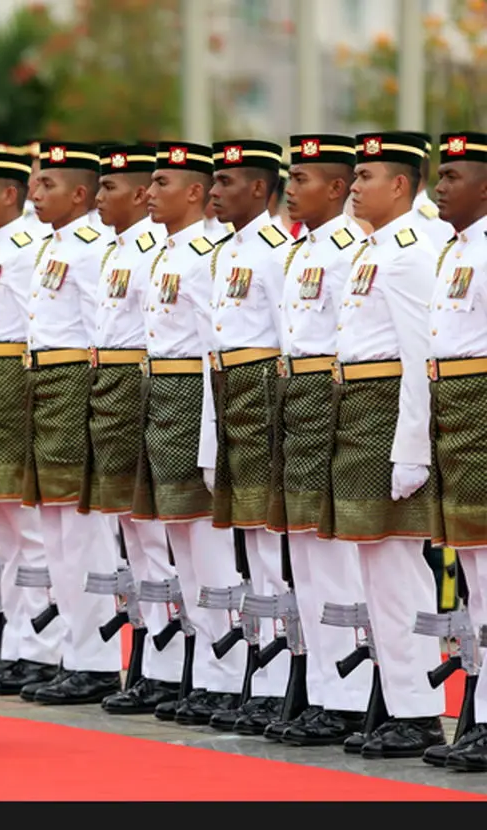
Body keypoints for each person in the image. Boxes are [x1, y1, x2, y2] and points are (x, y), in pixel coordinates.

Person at [324, 131, 443, 759]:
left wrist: (412, 447)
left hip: (385, 414)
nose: (355, 186)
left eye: (366, 176)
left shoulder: (410, 251)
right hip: (357, 407)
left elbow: (419, 356)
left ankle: (419, 708)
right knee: (376, 563)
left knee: (396, 568)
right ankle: (398, 701)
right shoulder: (375, 248)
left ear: (400, 184)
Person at [268, 134, 372, 747]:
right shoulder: (302, 248)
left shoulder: (349, 250)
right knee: (305, 552)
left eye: (304, 178)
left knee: (336, 557)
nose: (292, 188)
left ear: (336, 187)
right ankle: (325, 692)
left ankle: (351, 692)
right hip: (293, 394)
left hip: (330, 396)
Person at [140, 141, 246, 725]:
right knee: (180, 538)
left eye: (162, 182)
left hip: (194, 395)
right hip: (162, 394)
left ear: (196, 193)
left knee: (207, 544)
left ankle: (228, 672)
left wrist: (210, 431)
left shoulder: (208, 254)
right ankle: (206, 667)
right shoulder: (168, 252)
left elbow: (214, 350)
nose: (150, 193)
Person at [18, 141, 122, 706]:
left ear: (79, 193)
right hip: (44, 387)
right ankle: (72, 651)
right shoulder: (53, 244)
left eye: (48, 185)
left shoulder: (90, 249)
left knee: (81, 534)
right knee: (55, 532)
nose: (35, 194)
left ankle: (97, 659)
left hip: (75, 388)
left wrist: (89, 407)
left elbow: (94, 335)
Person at [0, 149, 63, 697]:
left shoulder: (26, 249)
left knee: (29, 531)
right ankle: (17, 642)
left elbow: (32, 330)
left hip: (15, 389)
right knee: (2, 528)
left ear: (10, 195)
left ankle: (41, 646)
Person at [84, 143, 184, 714]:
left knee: (156, 534)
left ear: (143, 193)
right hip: (113, 385)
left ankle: (169, 664)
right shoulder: (119, 249)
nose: (101, 198)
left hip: (142, 385)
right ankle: (150, 657)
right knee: (132, 533)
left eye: (111, 188)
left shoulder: (154, 250)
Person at [204, 138, 293, 733]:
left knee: (273, 545)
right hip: (229, 387)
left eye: (226, 182)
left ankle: (286, 675)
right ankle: (260, 678)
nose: (213, 192)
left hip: (264, 389)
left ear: (259, 189)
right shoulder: (226, 250)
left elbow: (290, 344)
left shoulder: (276, 250)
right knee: (250, 545)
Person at [424, 130, 487, 772]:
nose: (439, 187)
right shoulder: (454, 251)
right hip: (454, 408)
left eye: (452, 176)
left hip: (481, 408)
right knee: (473, 574)